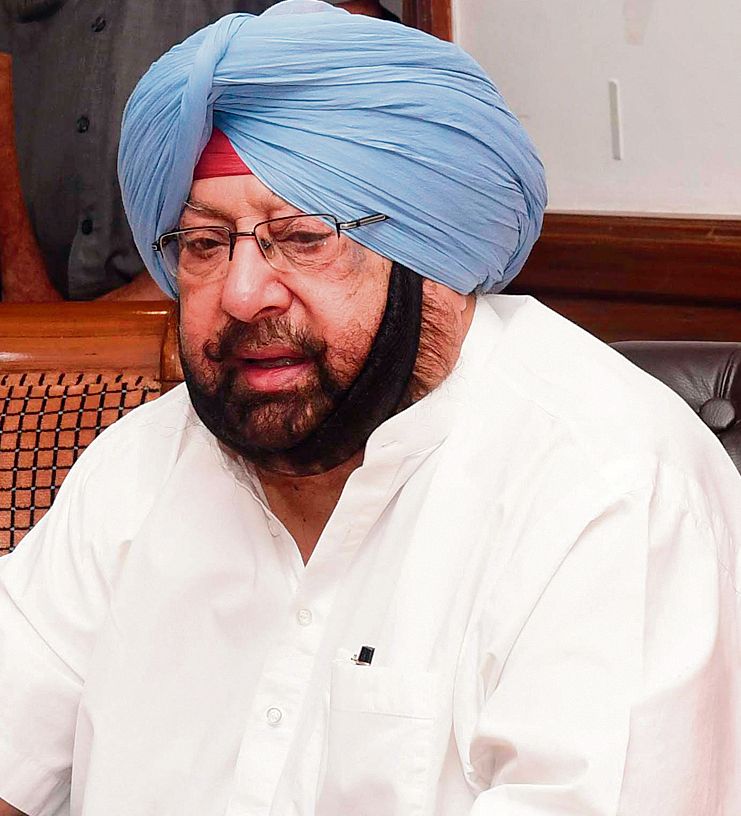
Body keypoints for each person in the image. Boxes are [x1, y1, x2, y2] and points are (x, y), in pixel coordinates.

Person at [0, 2, 739, 814]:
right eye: (205, 245)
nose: (240, 295)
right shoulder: (143, 461)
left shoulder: (607, 486)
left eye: (303, 237)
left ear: (434, 256)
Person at [0, 0, 394, 301]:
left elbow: (345, 39)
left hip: (233, 287)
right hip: (31, 306)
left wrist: (194, 267)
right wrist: (22, 280)